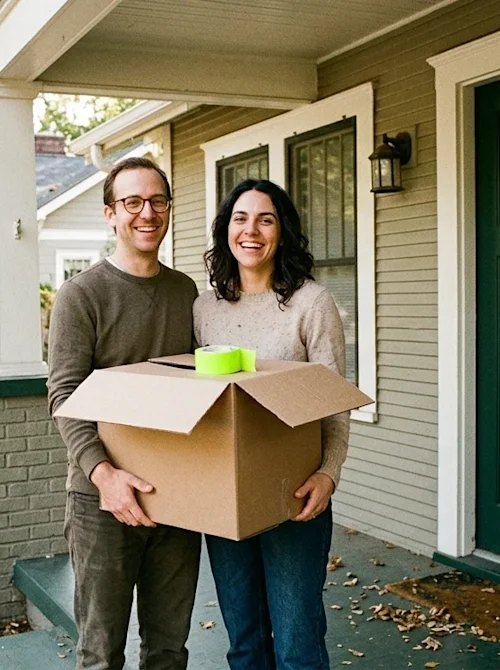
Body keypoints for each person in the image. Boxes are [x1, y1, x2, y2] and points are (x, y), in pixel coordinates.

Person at [47, 156, 201, 670]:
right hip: (102, 503)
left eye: (157, 201)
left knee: (167, 650)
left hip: (176, 497)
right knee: (100, 652)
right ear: (110, 214)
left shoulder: (185, 292)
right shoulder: (80, 295)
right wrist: (103, 474)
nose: (146, 213)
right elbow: (64, 393)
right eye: (132, 202)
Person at [193, 179, 350, 670]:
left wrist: (328, 474)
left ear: (282, 232)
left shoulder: (311, 303)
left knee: (297, 645)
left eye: (266, 219)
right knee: (245, 641)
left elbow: (334, 401)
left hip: (294, 494)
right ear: (226, 230)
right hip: (226, 498)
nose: (251, 230)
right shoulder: (204, 308)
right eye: (240, 218)